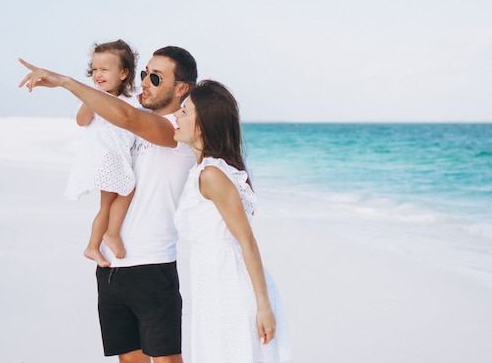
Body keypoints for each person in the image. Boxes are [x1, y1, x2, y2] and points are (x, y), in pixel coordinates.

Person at [18, 45, 198, 363]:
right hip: (112, 268)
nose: (143, 81)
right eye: (144, 73)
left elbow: (126, 116)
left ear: (180, 88)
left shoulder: (179, 131)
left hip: (152, 266)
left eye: (155, 77)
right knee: (128, 359)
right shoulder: (131, 124)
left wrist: (66, 82)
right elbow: (111, 125)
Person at [172, 80, 292, 362]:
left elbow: (246, 239)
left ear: (202, 125)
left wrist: (263, 306)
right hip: (213, 281)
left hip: (231, 285)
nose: (177, 115)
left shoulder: (212, 174)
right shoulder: (205, 169)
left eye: (185, 111)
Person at [65, 39, 140, 267]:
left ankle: (94, 244)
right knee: (125, 191)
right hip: (105, 157)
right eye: (95, 69)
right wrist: (92, 99)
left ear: (124, 73)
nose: (98, 74)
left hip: (115, 155)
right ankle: (107, 237)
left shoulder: (130, 98)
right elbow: (81, 121)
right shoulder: (94, 98)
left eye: (105, 70)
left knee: (111, 201)